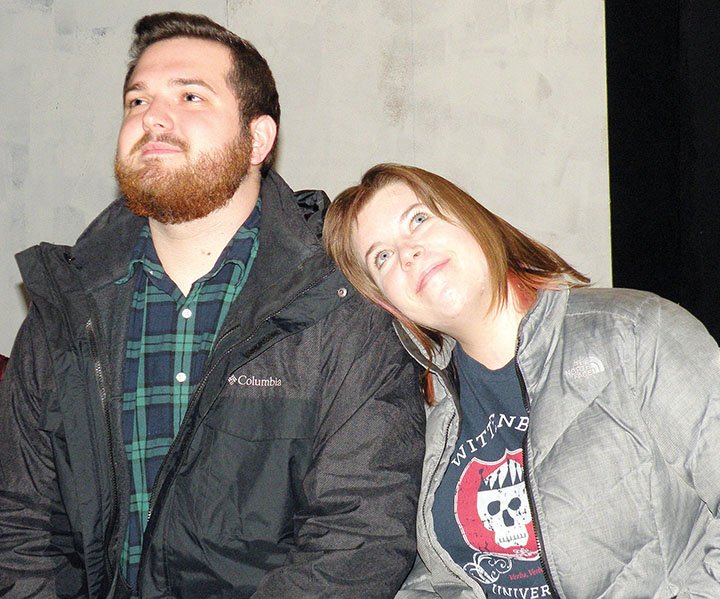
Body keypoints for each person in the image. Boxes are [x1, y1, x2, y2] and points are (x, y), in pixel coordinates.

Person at [0, 15, 425, 598]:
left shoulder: (340, 302)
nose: (152, 116)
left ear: (257, 140)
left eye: (190, 95)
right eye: (137, 100)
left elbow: (358, 538)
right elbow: (22, 528)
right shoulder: (67, 307)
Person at [323, 162, 720, 598]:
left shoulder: (635, 333)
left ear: (472, 218)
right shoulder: (424, 425)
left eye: (418, 219)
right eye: (382, 257)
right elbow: (436, 583)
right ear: (390, 305)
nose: (408, 253)